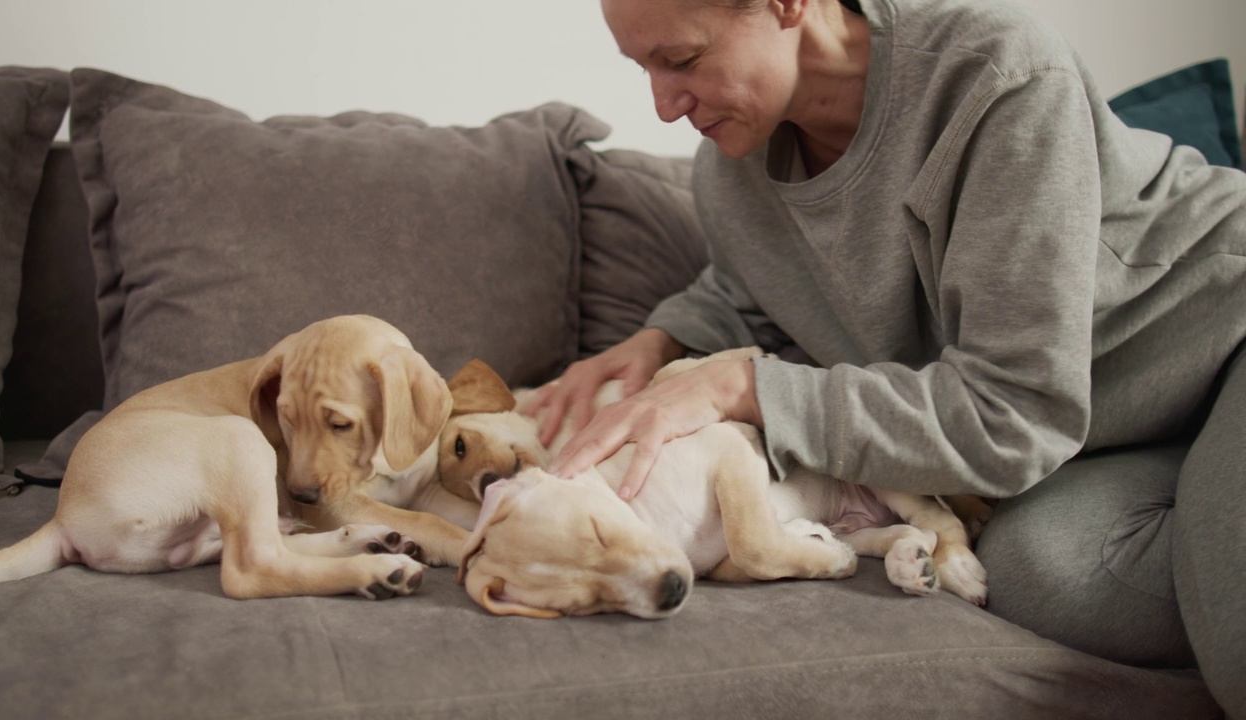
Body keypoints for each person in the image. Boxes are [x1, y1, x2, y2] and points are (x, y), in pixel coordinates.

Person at [524, 0, 1246, 715]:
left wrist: (744, 386)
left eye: (681, 59)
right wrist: (663, 341)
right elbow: (756, 287)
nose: (663, 104)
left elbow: (1013, 413)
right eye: (643, 65)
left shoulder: (996, 77)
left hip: (1224, 329)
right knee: (1041, 575)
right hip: (1117, 417)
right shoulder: (734, 171)